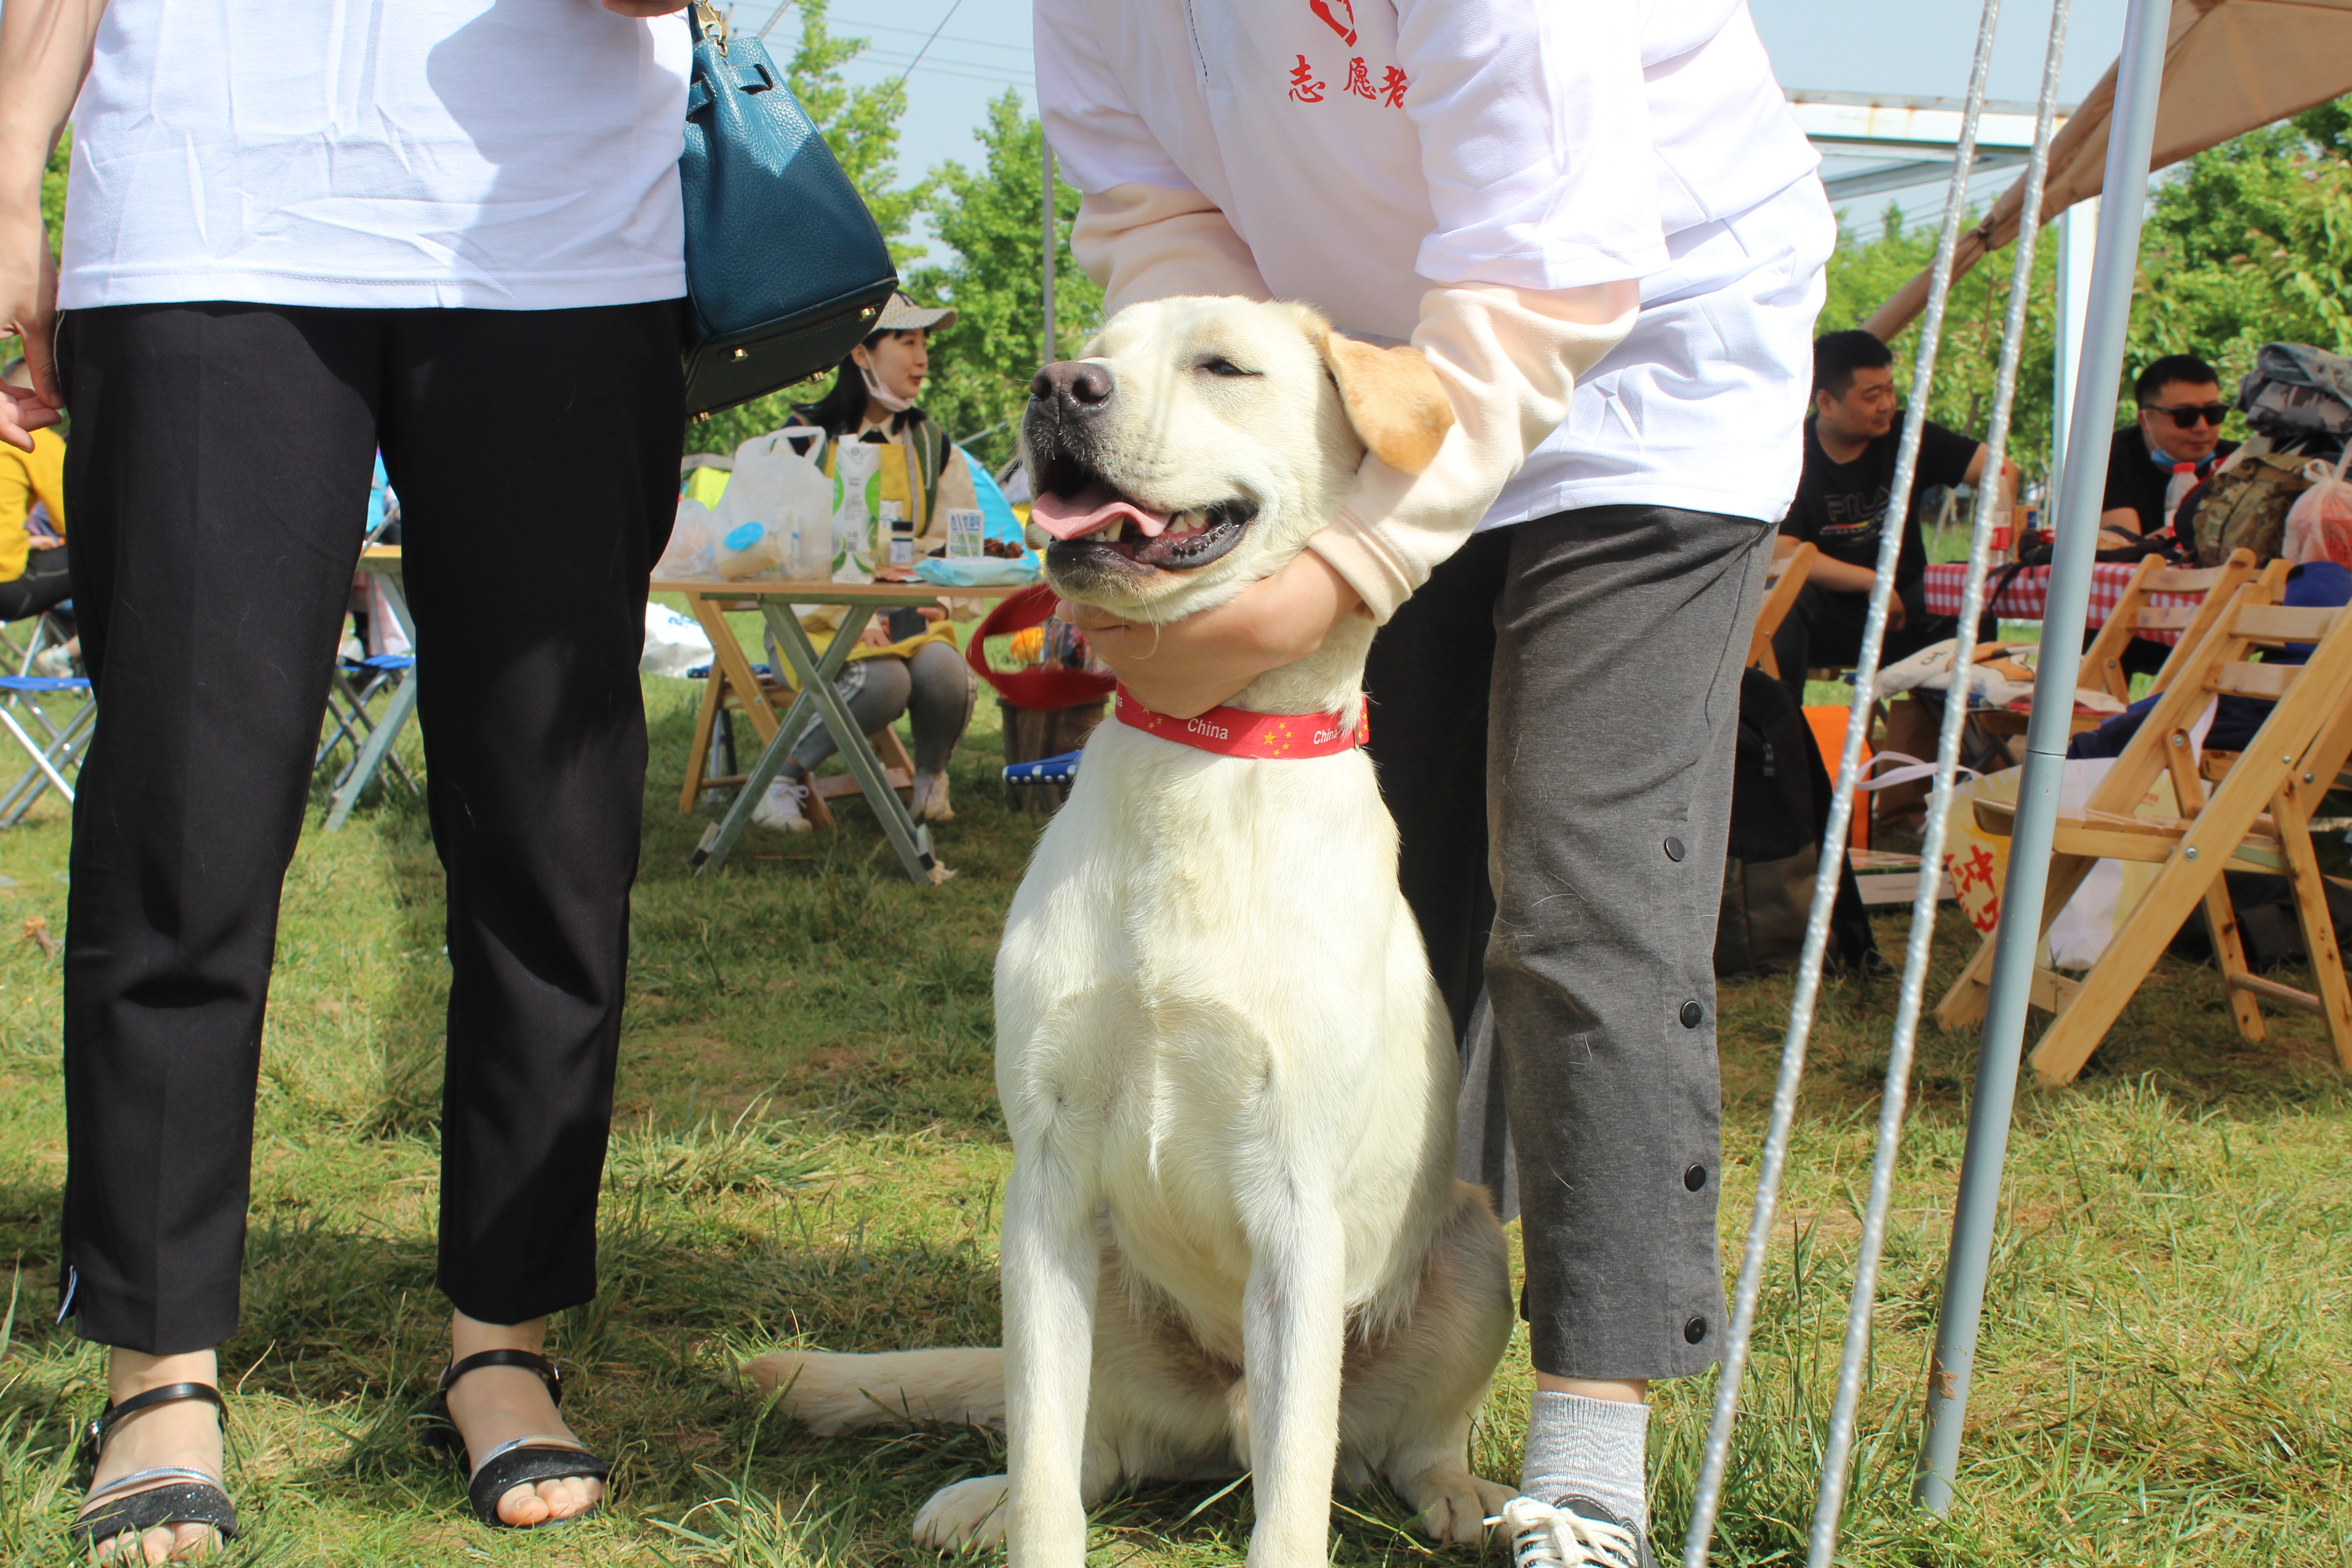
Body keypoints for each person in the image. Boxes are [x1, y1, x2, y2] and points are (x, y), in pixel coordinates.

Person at [1035, 5, 1831, 1563]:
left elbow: (1549, 268)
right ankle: (1352, 1357)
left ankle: (1591, 1460)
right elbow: (1161, 223)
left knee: (1581, 879)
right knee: (1379, 901)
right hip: (1364, 389)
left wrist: (1348, 563)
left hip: (1642, 361)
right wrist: (1167, 462)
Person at [1, 0, 693, 1556]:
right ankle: (157, 1361)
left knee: (548, 826)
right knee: (183, 811)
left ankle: (504, 1335)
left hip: (556, 232)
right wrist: (6, 165)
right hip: (199, 212)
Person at [747, 293, 980, 832]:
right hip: (814, 620)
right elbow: (777, 551)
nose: (923, 358)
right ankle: (778, 781)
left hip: (904, 613)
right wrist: (848, 613)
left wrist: (936, 600)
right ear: (860, 354)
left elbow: (954, 541)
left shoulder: (932, 447)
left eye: (926, 343)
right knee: (884, 683)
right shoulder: (802, 441)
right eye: (908, 342)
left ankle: (928, 781)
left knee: (949, 676)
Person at [1769, 329, 2008, 693]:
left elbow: (2000, 471)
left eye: (1890, 390)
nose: (1887, 404)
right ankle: (1780, 737)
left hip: (1906, 616)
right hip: (1830, 620)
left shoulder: (1906, 434)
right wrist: (1873, 583)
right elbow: (1783, 553)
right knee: (1786, 600)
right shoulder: (1792, 454)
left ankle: (1962, 738)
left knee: (1972, 587)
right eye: (1872, 396)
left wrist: (2000, 544)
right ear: (1827, 403)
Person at [2101, 352, 2238, 540]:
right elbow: (2123, 551)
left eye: (2214, 413)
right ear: (2146, 419)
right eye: (2185, 416)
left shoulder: (2239, 462)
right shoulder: (2107, 460)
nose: (2202, 427)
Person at [0, 356, 72, 627]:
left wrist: (25, 543)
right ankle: (70, 656)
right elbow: (73, 522)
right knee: (105, 559)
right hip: (7, 587)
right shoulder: (37, 439)